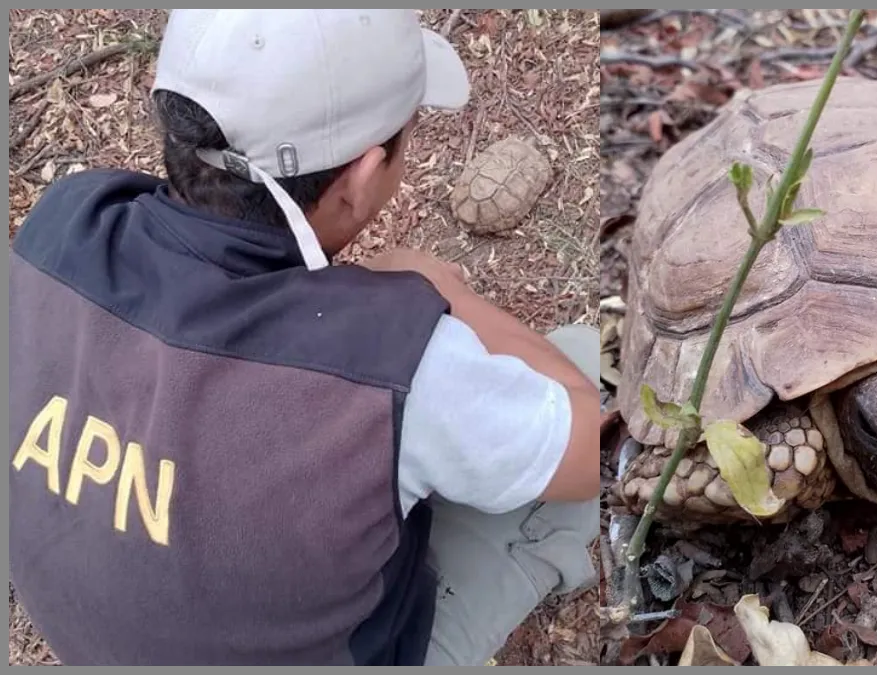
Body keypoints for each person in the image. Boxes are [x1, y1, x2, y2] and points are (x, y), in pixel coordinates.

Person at [8, 9, 600, 667]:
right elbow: (587, 444)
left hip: (90, 636)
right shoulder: (388, 355)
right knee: (583, 356)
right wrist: (444, 292)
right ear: (362, 176)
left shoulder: (62, 226)